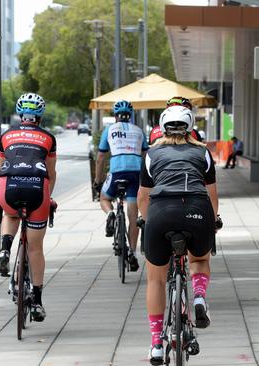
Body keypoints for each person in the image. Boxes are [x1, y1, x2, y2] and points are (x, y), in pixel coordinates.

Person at [137, 105, 219, 364]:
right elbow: (212, 193)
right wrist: (213, 220)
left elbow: (142, 196)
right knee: (199, 260)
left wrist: (148, 222)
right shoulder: (202, 152)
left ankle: (156, 345)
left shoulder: (151, 154)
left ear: (162, 125)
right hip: (196, 208)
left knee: (156, 280)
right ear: (190, 126)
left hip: (161, 211)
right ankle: (199, 297)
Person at [0, 92, 57, 322]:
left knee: (10, 213)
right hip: (36, 189)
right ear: (40, 115)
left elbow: (2, 168)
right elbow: (50, 173)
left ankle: (4, 249)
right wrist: (48, 197)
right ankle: (38, 300)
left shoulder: (6, 136)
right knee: (35, 248)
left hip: (8, 186)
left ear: (20, 113)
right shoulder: (48, 138)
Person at [94, 100, 148, 272]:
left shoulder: (109, 130)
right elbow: (146, 155)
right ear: (130, 115)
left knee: (104, 197)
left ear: (115, 115)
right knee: (133, 217)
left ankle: (110, 213)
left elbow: (101, 157)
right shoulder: (139, 131)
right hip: (135, 174)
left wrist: (97, 180)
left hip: (117, 172)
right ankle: (132, 253)